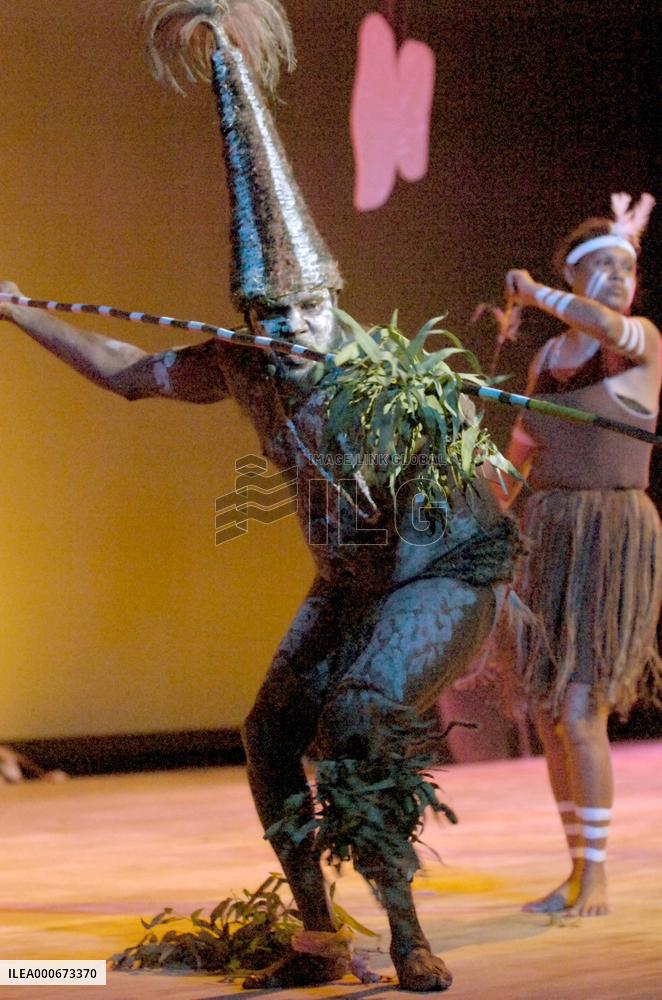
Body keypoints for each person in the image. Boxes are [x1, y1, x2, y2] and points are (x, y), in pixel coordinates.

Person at [0, 1, 520, 991]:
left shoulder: (387, 367)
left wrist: (457, 431)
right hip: (352, 578)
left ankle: (405, 931)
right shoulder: (241, 364)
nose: (286, 329)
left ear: (327, 302)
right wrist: (20, 314)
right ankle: (319, 938)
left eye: (300, 312)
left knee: (361, 708)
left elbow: (482, 477)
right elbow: (126, 372)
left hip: (441, 572)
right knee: (268, 730)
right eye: (266, 313)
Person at [498, 192, 662, 917]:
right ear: (575, 272)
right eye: (602, 268)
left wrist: (536, 292)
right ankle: (573, 868)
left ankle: (594, 876)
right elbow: (521, 453)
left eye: (627, 267)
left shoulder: (639, 341)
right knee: (548, 711)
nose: (620, 279)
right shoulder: (548, 358)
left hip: (609, 533)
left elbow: (597, 321)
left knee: (578, 702)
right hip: (550, 532)